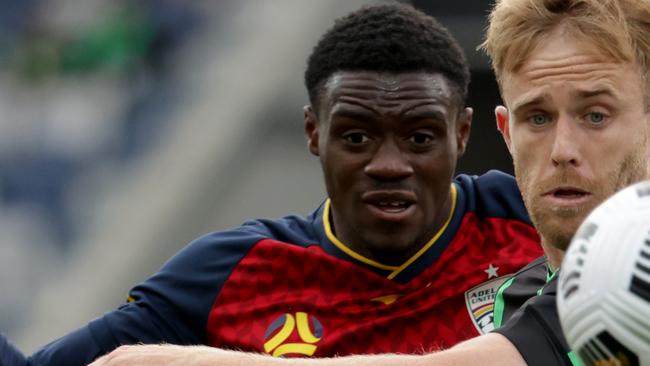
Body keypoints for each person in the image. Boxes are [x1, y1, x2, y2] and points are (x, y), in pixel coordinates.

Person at [86, 0, 650, 365]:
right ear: (505, 131)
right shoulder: (514, 300)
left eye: (596, 116)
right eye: (538, 118)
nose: (563, 151)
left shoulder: (634, 259)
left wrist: (147, 362)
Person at [0, 3, 544, 365]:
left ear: (463, 132)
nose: (389, 164)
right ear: (313, 132)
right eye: (356, 138)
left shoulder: (535, 220)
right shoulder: (228, 273)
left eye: (421, 138)